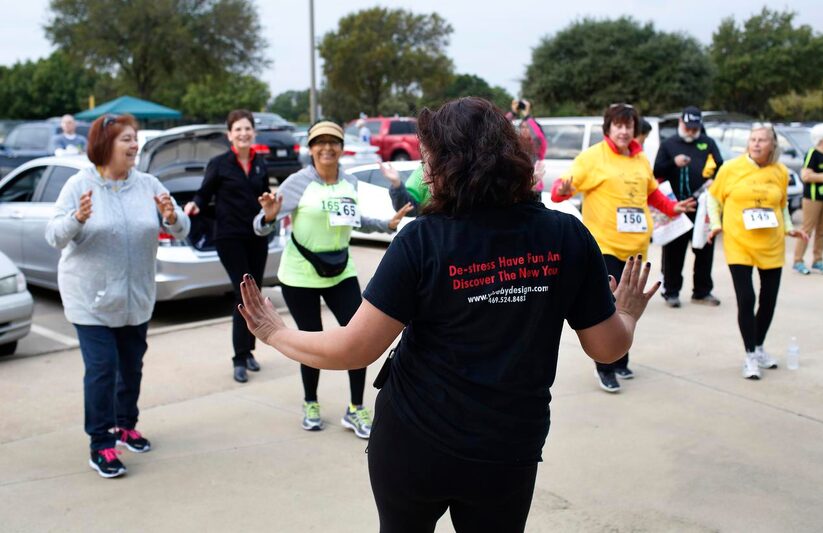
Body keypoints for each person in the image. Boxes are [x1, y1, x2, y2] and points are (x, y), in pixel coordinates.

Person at [238, 97, 659, 533]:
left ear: (448, 164)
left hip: (415, 443)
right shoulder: (566, 235)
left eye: (427, 159)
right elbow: (607, 348)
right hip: (507, 451)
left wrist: (273, 333)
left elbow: (352, 349)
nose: (423, 172)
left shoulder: (422, 241)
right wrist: (626, 312)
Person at [45, 113, 190, 478]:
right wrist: (77, 218)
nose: (134, 145)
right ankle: (101, 444)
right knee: (102, 369)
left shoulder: (148, 184)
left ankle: (126, 425)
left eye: (135, 138)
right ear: (104, 144)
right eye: (126, 138)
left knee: (131, 367)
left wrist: (172, 217)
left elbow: (182, 230)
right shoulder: (79, 185)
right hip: (88, 299)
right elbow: (54, 236)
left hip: (136, 298)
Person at [252, 120, 411, 439]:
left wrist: (386, 223)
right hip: (300, 275)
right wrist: (268, 216)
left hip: (341, 272)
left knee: (358, 338)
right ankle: (310, 402)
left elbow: (355, 219)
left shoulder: (349, 182)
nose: (327, 148)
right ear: (309, 149)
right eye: (319, 142)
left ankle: (355, 408)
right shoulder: (296, 183)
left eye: (333, 142)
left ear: (341, 148)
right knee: (310, 338)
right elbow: (261, 225)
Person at [551, 103, 696, 393]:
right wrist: (563, 190)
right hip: (604, 245)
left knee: (630, 304)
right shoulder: (593, 157)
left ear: (634, 129)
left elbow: (652, 193)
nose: (622, 130)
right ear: (608, 128)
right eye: (617, 125)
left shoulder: (640, 158)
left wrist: (672, 207)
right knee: (608, 307)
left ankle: (621, 358)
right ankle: (605, 367)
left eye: (627, 126)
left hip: (637, 245)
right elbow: (560, 190)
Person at [707, 123, 808, 380]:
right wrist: (716, 225)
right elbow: (714, 198)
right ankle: (750, 354)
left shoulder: (780, 172)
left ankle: (760, 346)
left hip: (772, 245)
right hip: (739, 243)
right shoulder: (731, 168)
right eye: (753, 139)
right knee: (747, 299)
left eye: (762, 140)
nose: (756, 143)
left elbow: (782, 205)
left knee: (769, 300)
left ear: (773, 144)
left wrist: (788, 228)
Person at [183, 109, 271, 384]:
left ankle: (249, 352)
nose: (243, 134)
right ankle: (238, 359)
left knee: (254, 295)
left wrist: (273, 209)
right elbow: (204, 192)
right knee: (242, 295)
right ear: (229, 135)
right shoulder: (219, 163)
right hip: (229, 237)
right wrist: (194, 204)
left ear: (253, 132)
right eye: (238, 130)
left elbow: (264, 199)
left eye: (247, 129)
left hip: (257, 236)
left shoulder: (260, 164)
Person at [653, 106, 724, 308]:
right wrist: (673, 163)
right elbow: (656, 171)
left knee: (704, 249)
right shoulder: (668, 144)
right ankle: (671, 291)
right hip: (676, 206)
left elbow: (720, 166)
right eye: (688, 127)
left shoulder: (707, 143)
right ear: (680, 124)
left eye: (695, 127)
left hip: (702, 206)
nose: (691, 131)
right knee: (674, 252)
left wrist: (714, 181)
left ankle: (702, 291)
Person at [792, 122, 823, 275]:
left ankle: (818, 260)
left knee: (822, 230)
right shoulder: (812, 153)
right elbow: (805, 175)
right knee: (807, 229)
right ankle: (798, 260)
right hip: (812, 198)